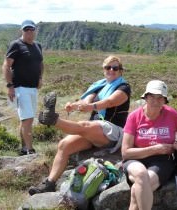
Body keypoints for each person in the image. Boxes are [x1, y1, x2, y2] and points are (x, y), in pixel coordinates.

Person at [28, 55, 131, 195]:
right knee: (64, 144)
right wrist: (74, 105)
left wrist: (91, 107)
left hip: (114, 131)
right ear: (103, 69)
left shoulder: (124, 87)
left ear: (120, 71)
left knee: (85, 125)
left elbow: (110, 102)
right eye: (108, 67)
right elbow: (85, 102)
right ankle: (50, 183)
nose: (111, 70)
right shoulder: (99, 86)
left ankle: (53, 120)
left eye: (115, 68)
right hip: (96, 130)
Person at [121, 80, 177, 210]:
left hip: (162, 162)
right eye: (152, 96)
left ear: (165, 100)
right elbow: (126, 152)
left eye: (160, 97)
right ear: (145, 97)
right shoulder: (134, 117)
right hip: (136, 159)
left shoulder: (171, 114)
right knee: (140, 174)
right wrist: (155, 149)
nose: (156, 101)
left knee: (136, 190)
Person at [2, 20, 43, 156]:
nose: (29, 32)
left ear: (35, 30)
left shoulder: (38, 46)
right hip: (20, 88)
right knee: (28, 119)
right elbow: (6, 66)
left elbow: (41, 64)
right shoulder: (16, 45)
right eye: (26, 30)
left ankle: (23, 147)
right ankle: (30, 150)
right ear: (22, 31)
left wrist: (40, 78)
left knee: (25, 119)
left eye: (32, 29)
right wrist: (10, 86)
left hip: (33, 88)